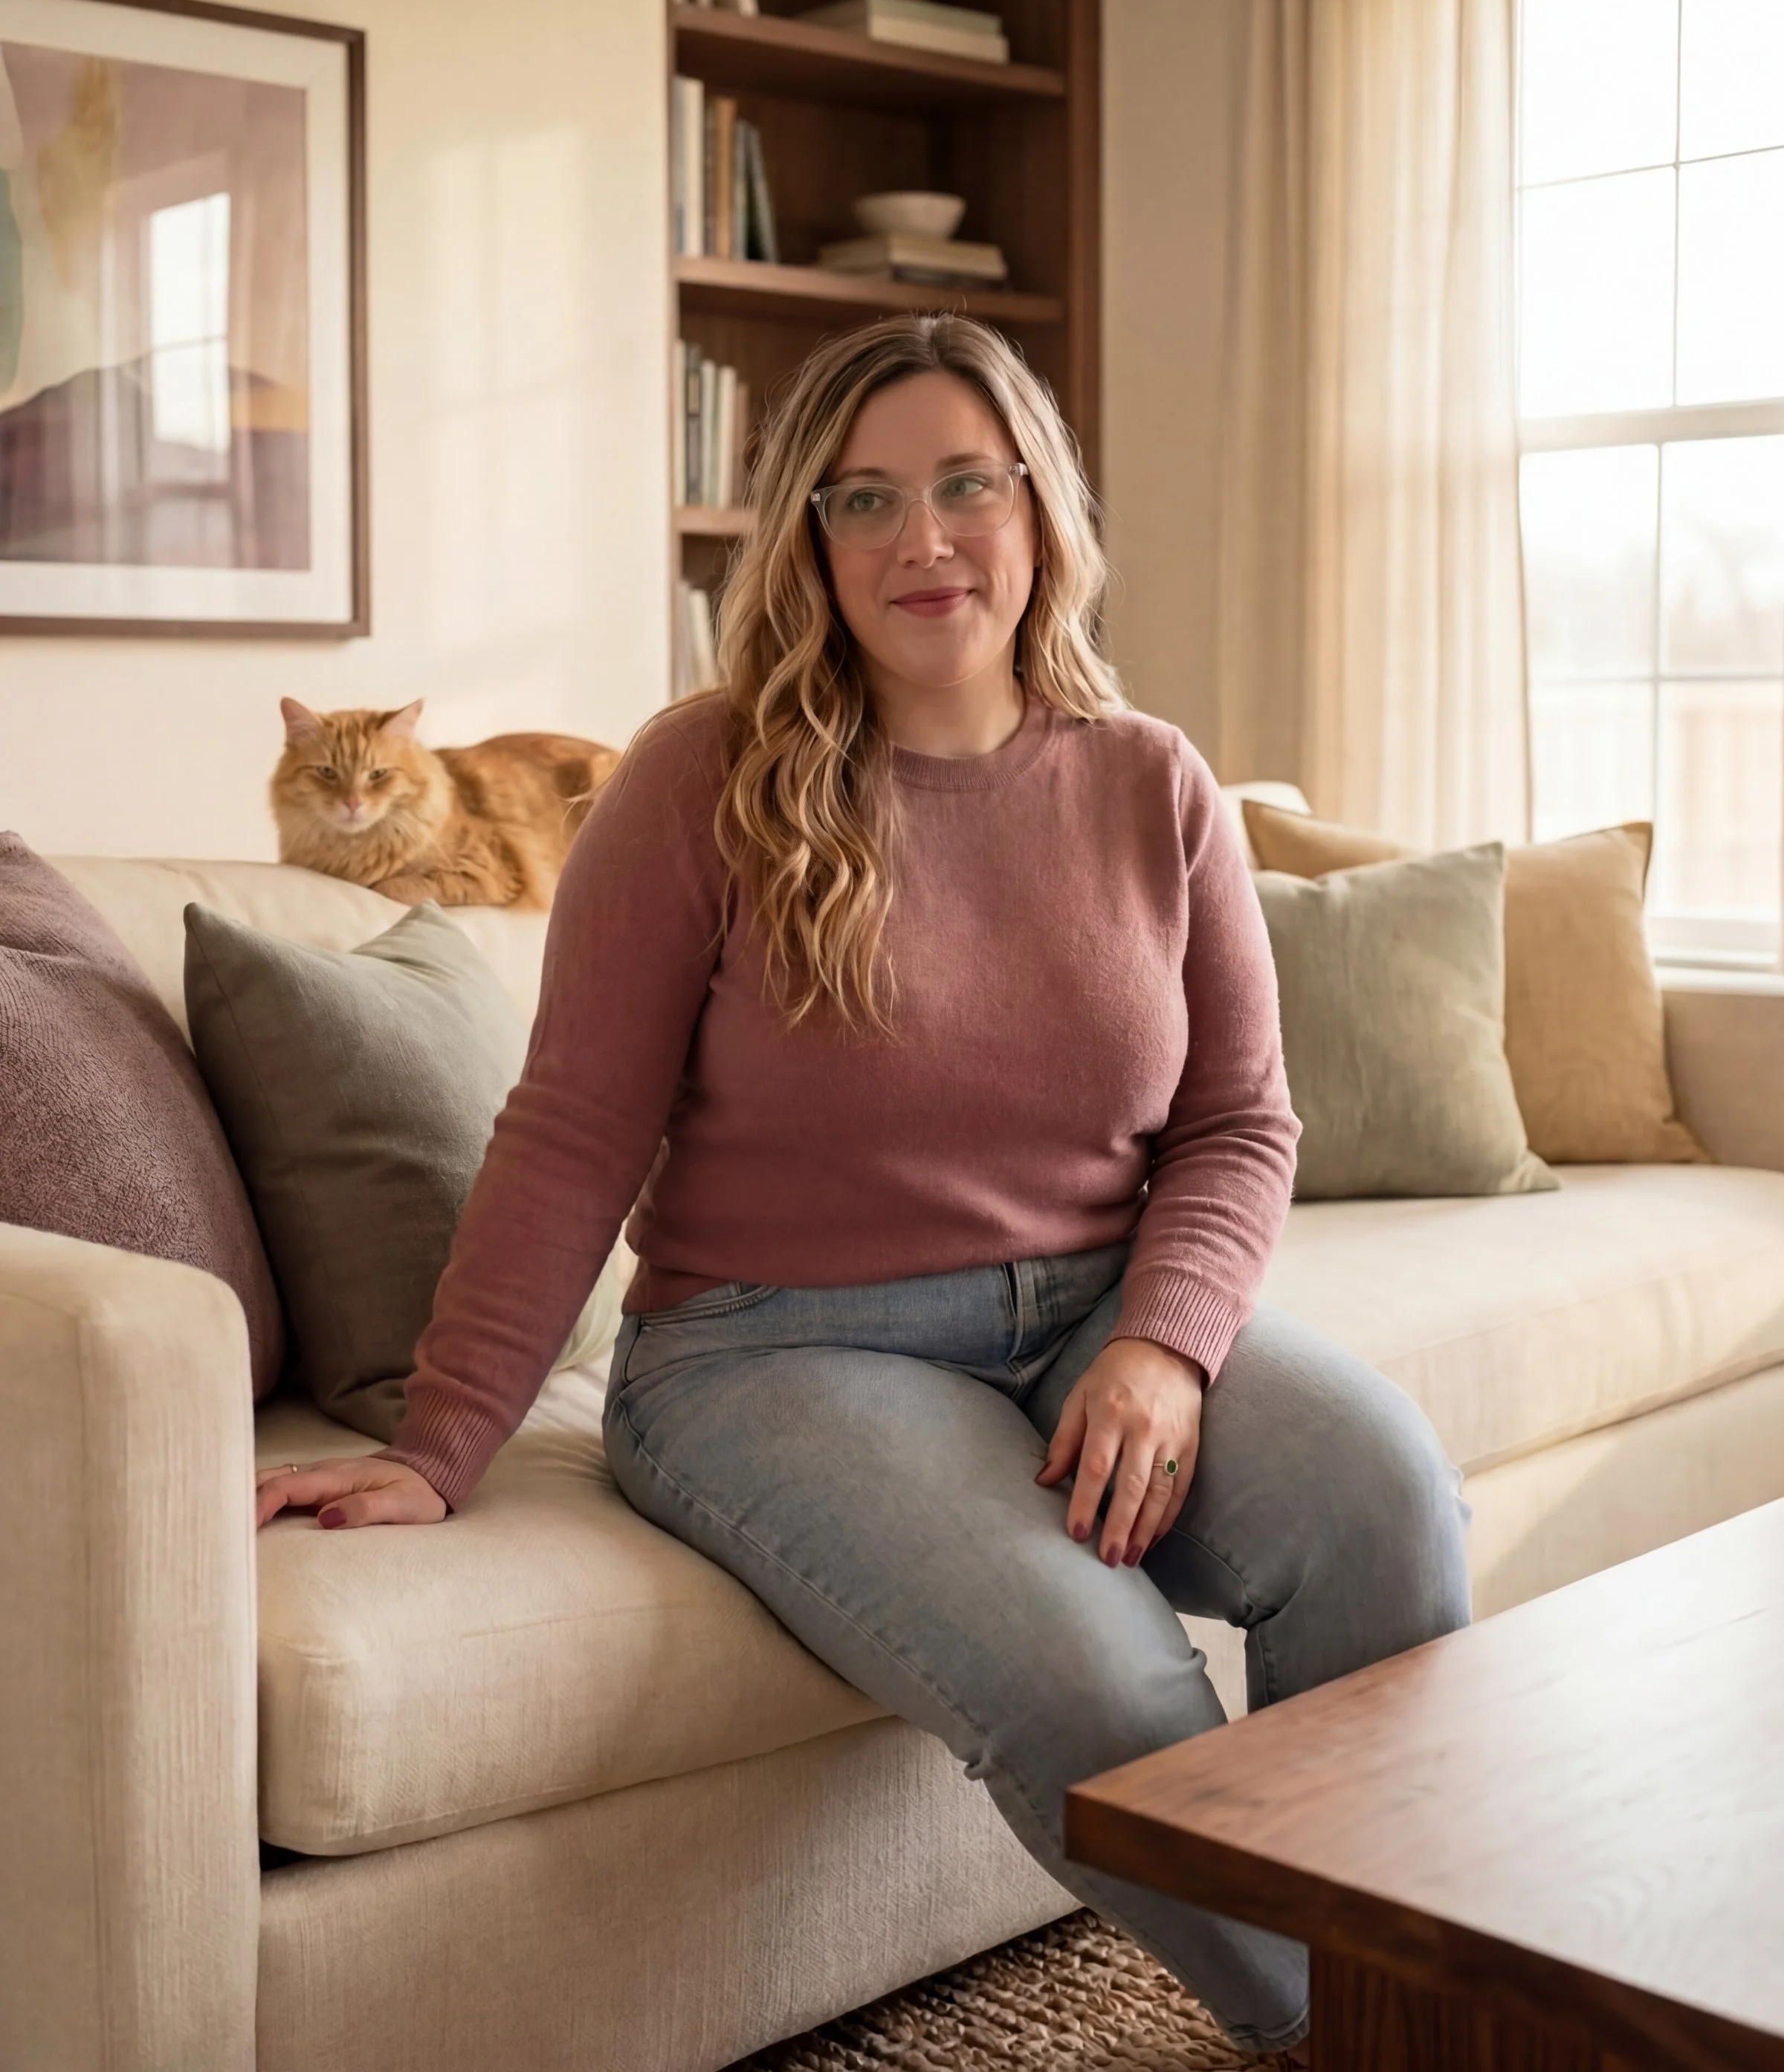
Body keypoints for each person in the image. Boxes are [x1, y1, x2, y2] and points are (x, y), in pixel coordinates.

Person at [256, 314, 1470, 2061]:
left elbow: (1238, 1120)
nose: (925, 539)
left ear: (1041, 509)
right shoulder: (698, 779)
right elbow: (574, 1128)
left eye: (970, 484)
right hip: (774, 1351)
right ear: (809, 540)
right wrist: (439, 1441)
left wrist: (1167, 1340)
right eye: (866, 498)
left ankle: (1433, 2020)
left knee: (1384, 1498)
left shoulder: (1155, 783)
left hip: (1096, 1314)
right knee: (1101, 1681)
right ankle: (1368, 2038)